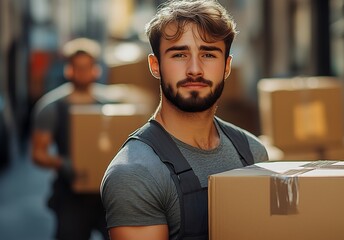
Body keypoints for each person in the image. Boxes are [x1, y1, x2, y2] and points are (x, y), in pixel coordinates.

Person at [100, 1, 269, 240]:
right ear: (155, 65)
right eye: (179, 54)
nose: (195, 69)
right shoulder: (135, 173)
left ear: (227, 66)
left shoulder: (253, 153)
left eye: (208, 54)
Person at [31, 38, 109, 240]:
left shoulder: (110, 106)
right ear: (69, 70)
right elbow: (38, 153)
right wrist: (62, 163)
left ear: (96, 70)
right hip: (71, 195)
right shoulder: (51, 107)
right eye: (77, 67)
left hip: (108, 194)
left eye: (87, 67)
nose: (82, 72)